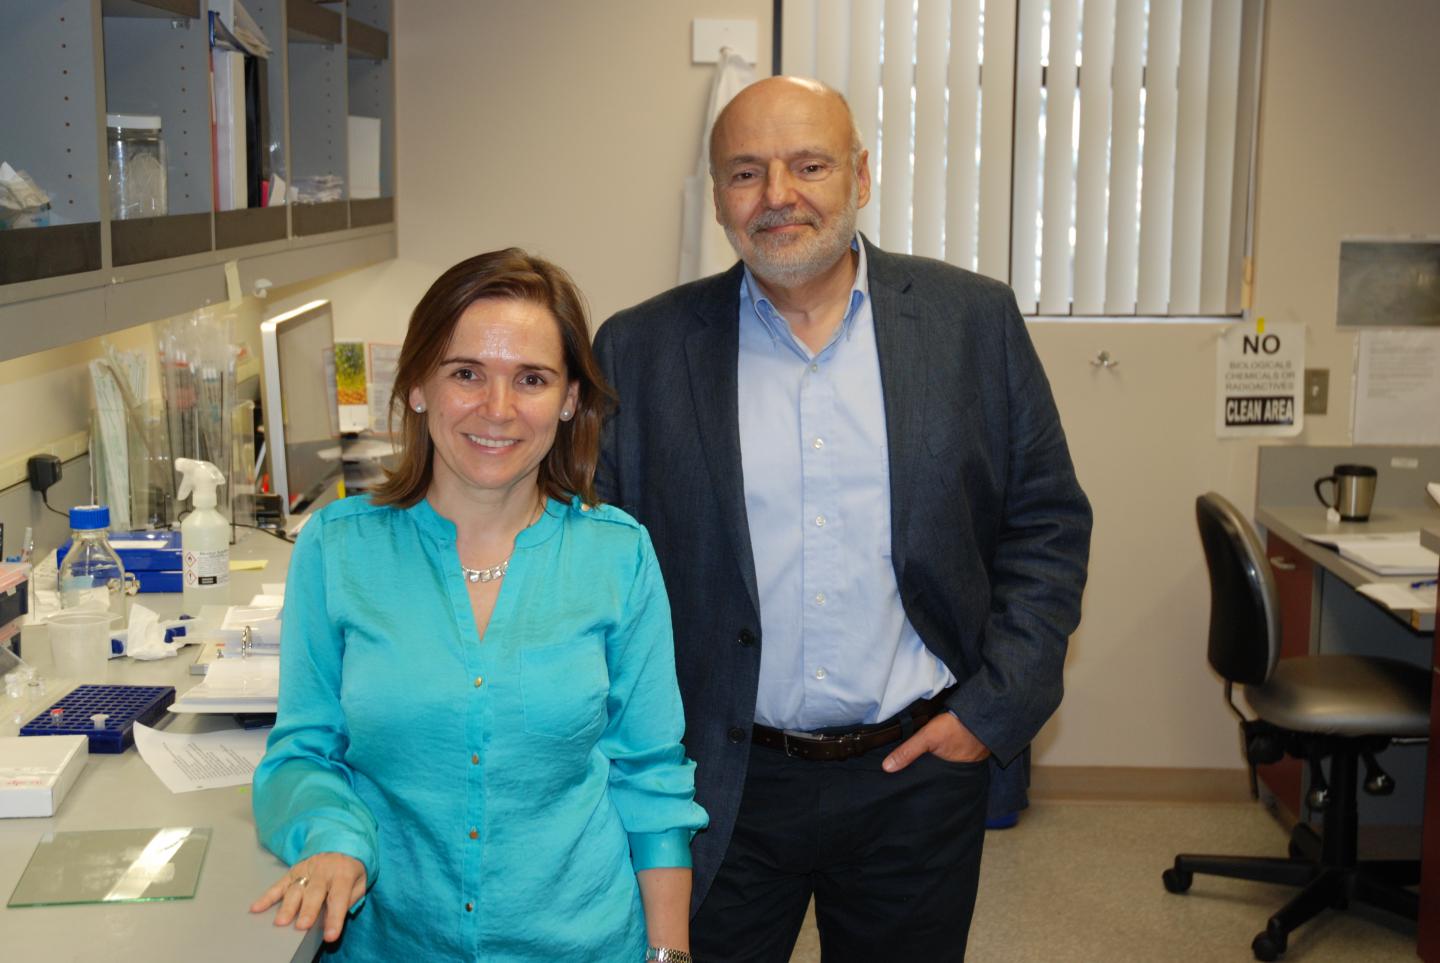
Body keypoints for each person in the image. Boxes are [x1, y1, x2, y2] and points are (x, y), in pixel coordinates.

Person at [592, 77, 1092, 961]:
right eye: (746, 172)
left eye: (809, 164)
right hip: (718, 779)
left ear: (861, 176)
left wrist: (991, 710)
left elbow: (1047, 522)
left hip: (917, 774)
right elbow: (596, 565)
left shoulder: (970, 321)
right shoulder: (641, 348)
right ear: (716, 199)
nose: (778, 195)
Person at [250, 248, 707, 962]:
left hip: (584, 946)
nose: (497, 410)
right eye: (467, 373)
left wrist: (668, 955)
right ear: (418, 387)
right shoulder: (338, 550)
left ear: (570, 400)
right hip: (391, 944)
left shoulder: (618, 556)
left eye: (531, 379)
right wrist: (331, 837)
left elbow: (651, 779)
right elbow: (299, 755)